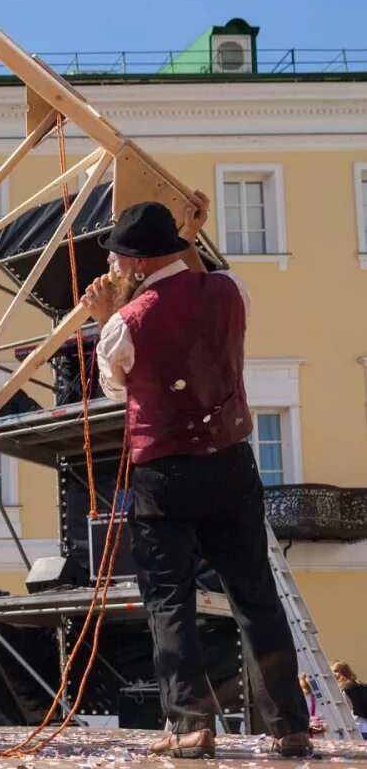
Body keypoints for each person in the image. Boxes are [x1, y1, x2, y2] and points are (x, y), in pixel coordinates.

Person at [84, 195, 310, 760]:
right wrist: (188, 237)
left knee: (169, 598)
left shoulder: (125, 324)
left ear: (136, 264)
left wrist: (106, 317)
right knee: (256, 597)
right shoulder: (233, 290)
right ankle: (289, 725)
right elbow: (198, 292)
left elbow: (118, 389)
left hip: (164, 469)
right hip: (231, 461)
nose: (113, 267)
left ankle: (190, 725)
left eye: (119, 259)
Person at [332, 661, 367, 737]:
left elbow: (345, 710)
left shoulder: (347, 689)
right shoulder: (361, 685)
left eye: (336, 671)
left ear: (344, 672)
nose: (333, 674)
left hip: (356, 728)